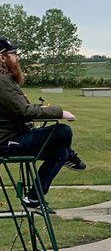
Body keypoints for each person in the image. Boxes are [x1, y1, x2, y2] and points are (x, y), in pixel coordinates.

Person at [0, 36, 86, 211]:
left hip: (14, 137)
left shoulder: (5, 80)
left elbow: (20, 109)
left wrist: (38, 110)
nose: (17, 58)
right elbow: (23, 112)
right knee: (63, 131)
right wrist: (59, 112)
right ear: (2, 57)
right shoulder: (1, 81)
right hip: (7, 142)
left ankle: (34, 198)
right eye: (14, 54)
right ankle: (70, 155)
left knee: (60, 151)